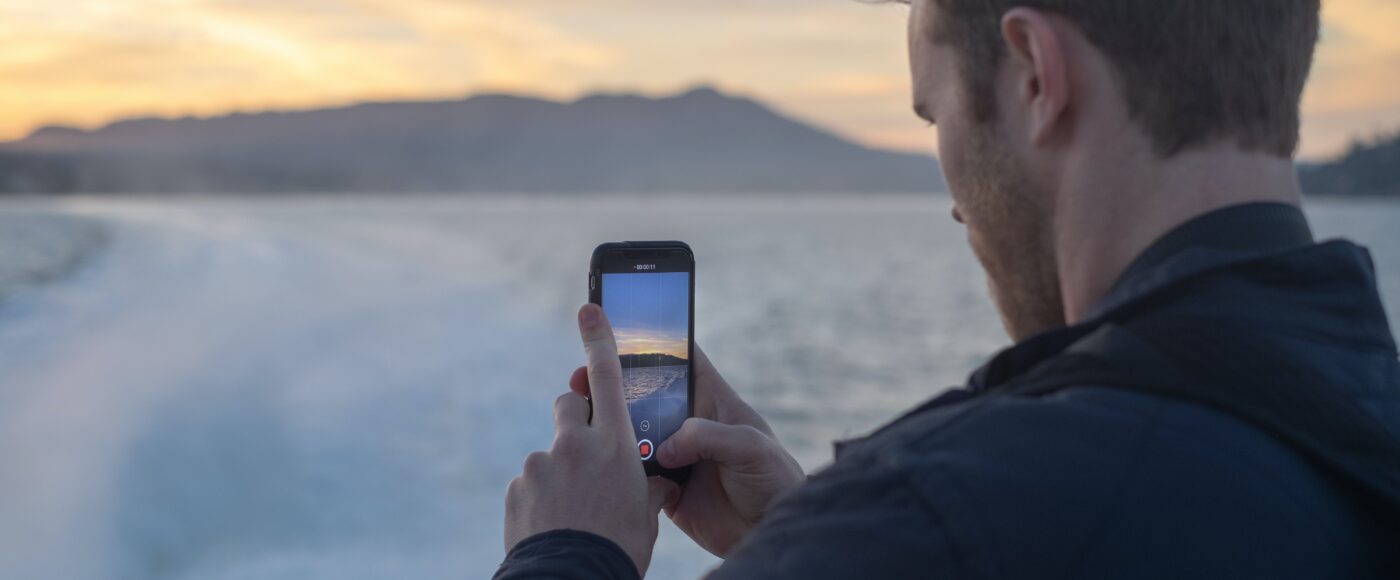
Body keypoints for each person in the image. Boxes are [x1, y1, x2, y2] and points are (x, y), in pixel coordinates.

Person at [496, 0, 1400, 578]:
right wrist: (801, 535)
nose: (956, 205)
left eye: (936, 114)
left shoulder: (938, 517)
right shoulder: (1358, 430)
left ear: (1036, 74)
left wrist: (568, 552)